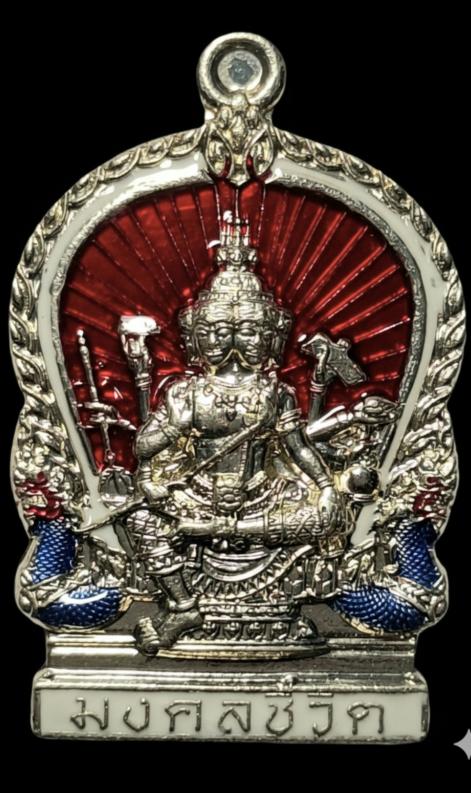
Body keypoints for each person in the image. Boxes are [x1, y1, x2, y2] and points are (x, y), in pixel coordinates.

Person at [125, 216, 344, 655]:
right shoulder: (186, 393)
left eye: (247, 331)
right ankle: (183, 606)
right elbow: (144, 449)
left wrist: (324, 487)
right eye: (219, 331)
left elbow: (297, 448)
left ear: (269, 335)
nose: (233, 341)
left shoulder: (276, 393)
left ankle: (249, 579)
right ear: (197, 335)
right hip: (198, 494)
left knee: (325, 517)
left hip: (262, 495)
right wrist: (173, 428)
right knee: (141, 521)